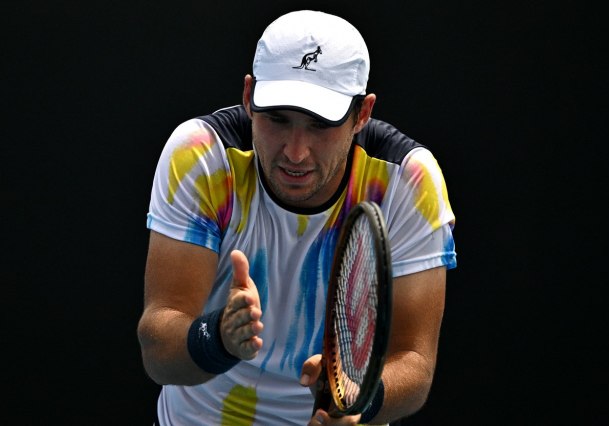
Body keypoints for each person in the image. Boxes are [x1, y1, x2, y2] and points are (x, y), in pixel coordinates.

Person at [137, 9, 456, 426]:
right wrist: (219, 337)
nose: (295, 151)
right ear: (249, 97)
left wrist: (356, 402)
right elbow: (158, 354)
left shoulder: (408, 182)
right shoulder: (201, 155)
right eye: (277, 119)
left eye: (320, 126)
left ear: (362, 114)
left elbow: (414, 363)